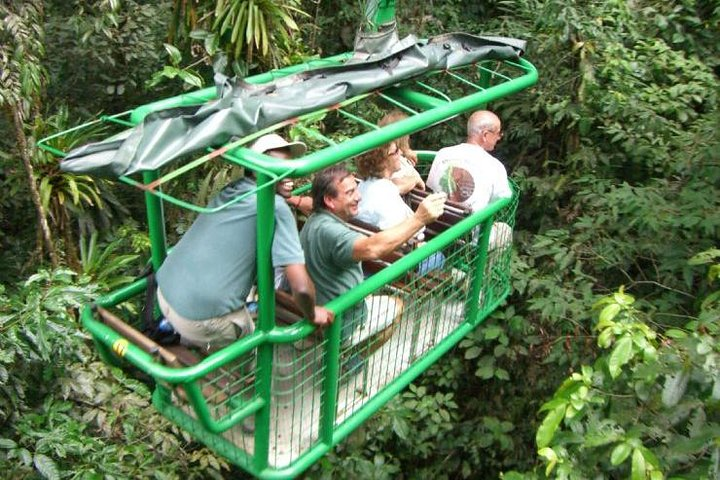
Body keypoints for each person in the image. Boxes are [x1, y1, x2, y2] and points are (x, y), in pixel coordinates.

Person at [156, 133, 333, 353]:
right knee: (258, 345)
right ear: (256, 170)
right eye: (278, 169)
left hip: (164, 295)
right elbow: (301, 288)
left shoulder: (233, 190)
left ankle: (200, 344)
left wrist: (294, 199)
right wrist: (313, 313)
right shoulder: (277, 208)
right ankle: (251, 380)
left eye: (288, 168)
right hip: (198, 319)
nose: (288, 176)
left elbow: (264, 194)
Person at [300, 165, 446, 348]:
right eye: (350, 192)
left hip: (322, 307)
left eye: (356, 189)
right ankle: (350, 358)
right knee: (397, 305)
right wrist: (419, 219)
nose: (358, 197)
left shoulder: (314, 220)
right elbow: (373, 249)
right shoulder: (332, 232)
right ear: (329, 200)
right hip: (342, 321)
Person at [426, 110, 513, 249]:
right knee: (504, 230)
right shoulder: (494, 166)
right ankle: (481, 270)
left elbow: (431, 186)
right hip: (470, 237)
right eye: (498, 133)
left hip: (437, 228)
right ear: (485, 135)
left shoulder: (443, 153)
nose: (499, 137)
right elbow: (502, 200)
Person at [378, 110, 425, 194]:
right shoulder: (394, 161)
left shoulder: (384, 155)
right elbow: (394, 186)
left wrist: (405, 150)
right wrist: (415, 179)